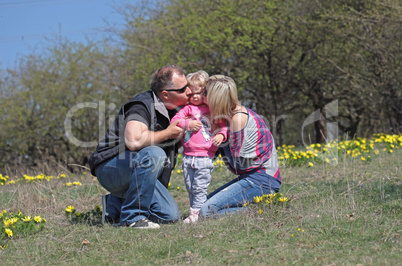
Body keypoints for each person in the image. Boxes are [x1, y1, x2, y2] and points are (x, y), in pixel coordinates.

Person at [88, 64, 192, 229]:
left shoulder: (176, 112)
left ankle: (114, 204)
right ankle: (132, 218)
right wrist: (168, 133)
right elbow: (134, 141)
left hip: (135, 170)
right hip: (111, 167)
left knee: (170, 216)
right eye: (183, 89)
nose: (189, 91)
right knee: (154, 153)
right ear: (165, 94)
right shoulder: (141, 105)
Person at [199, 75, 281, 217]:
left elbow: (238, 166)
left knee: (207, 211)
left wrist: (216, 136)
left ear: (215, 98)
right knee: (204, 203)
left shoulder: (238, 119)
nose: (201, 96)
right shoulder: (230, 117)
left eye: (204, 93)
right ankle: (256, 205)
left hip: (262, 180)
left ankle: (260, 209)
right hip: (251, 177)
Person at [171, 70, 228, 223]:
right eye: (191, 94)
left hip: (205, 156)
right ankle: (197, 210)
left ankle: (195, 214)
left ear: (205, 92)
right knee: (190, 186)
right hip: (188, 155)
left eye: (199, 93)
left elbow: (224, 127)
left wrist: (221, 135)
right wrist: (187, 123)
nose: (195, 97)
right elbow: (175, 122)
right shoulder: (187, 109)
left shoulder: (212, 110)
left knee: (200, 187)